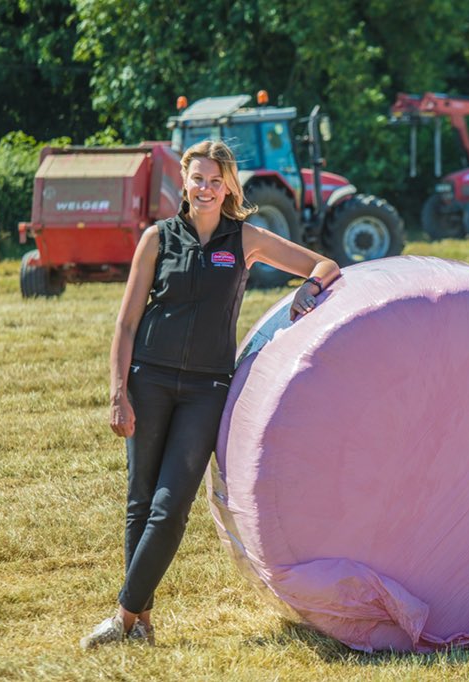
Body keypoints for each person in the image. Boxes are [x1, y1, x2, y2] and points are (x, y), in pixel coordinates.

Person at [80, 140, 340, 649]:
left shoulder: (243, 239)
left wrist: (308, 291)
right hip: (148, 381)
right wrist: (118, 392)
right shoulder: (157, 239)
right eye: (198, 179)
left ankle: (123, 617)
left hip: (206, 388)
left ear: (228, 187)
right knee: (139, 503)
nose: (205, 189)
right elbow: (126, 322)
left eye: (215, 181)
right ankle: (143, 624)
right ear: (184, 181)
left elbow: (325, 264)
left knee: (170, 505)